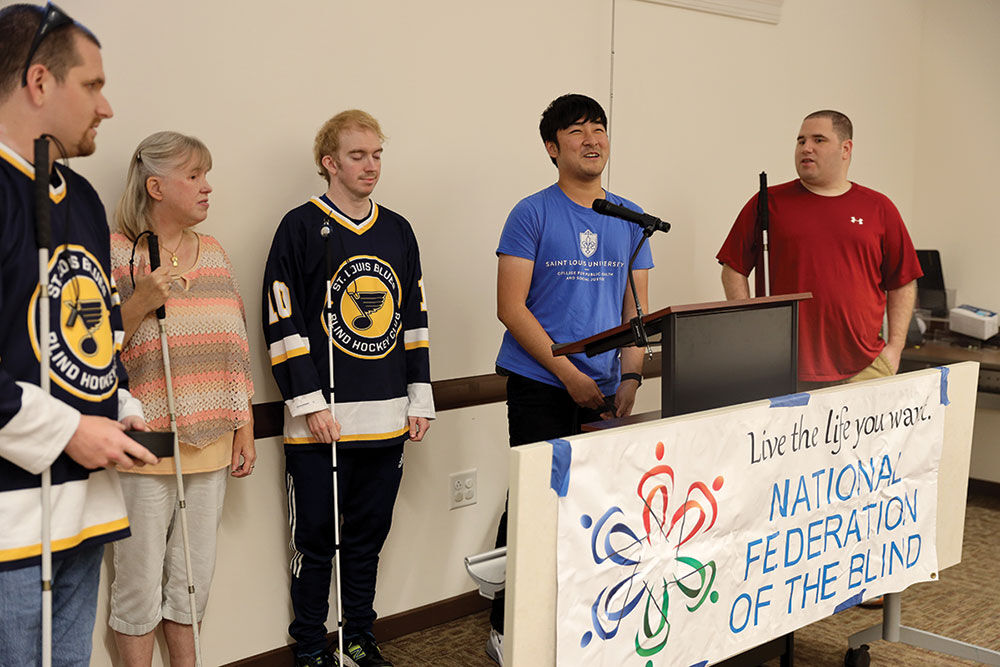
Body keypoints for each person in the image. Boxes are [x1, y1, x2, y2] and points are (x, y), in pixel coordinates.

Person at [0, 4, 158, 664]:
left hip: (84, 507)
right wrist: (67, 429)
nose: (107, 107)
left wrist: (117, 404)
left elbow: (84, 335)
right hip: (11, 517)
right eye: (92, 86)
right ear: (40, 82)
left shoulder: (85, 200)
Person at [262, 109, 434, 667]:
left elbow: (414, 319)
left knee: (367, 542)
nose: (371, 166)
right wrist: (308, 402)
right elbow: (282, 318)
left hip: (385, 420)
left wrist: (419, 396)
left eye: (377, 154)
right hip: (321, 424)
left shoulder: (397, 229)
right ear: (329, 162)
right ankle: (311, 644)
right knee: (314, 544)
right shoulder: (300, 226)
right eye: (358, 155)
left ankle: (358, 636)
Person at [489, 93, 653, 665]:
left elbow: (637, 315)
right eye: (577, 131)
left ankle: (581, 622)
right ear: (552, 148)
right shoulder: (531, 213)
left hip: (608, 388)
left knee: (599, 509)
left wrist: (629, 381)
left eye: (600, 128)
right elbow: (512, 307)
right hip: (539, 383)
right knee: (534, 507)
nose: (592, 139)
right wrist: (567, 375)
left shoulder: (631, 219)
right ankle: (505, 626)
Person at [107, 131, 256, 666]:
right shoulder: (115, 253)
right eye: (194, 176)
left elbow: (235, 345)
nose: (207, 187)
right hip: (144, 448)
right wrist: (141, 301)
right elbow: (90, 348)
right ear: (156, 186)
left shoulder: (212, 253)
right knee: (138, 585)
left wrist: (243, 425)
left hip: (210, 442)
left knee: (193, 582)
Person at [717, 110, 922, 389]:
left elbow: (903, 280)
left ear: (845, 149)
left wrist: (895, 349)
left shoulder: (878, 208)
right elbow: (733, 269)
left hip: (866, 367)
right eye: (800, 141)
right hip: (783, 367)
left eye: (818, 140)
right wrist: (752, 331)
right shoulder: (768, 203)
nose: (806, 148)